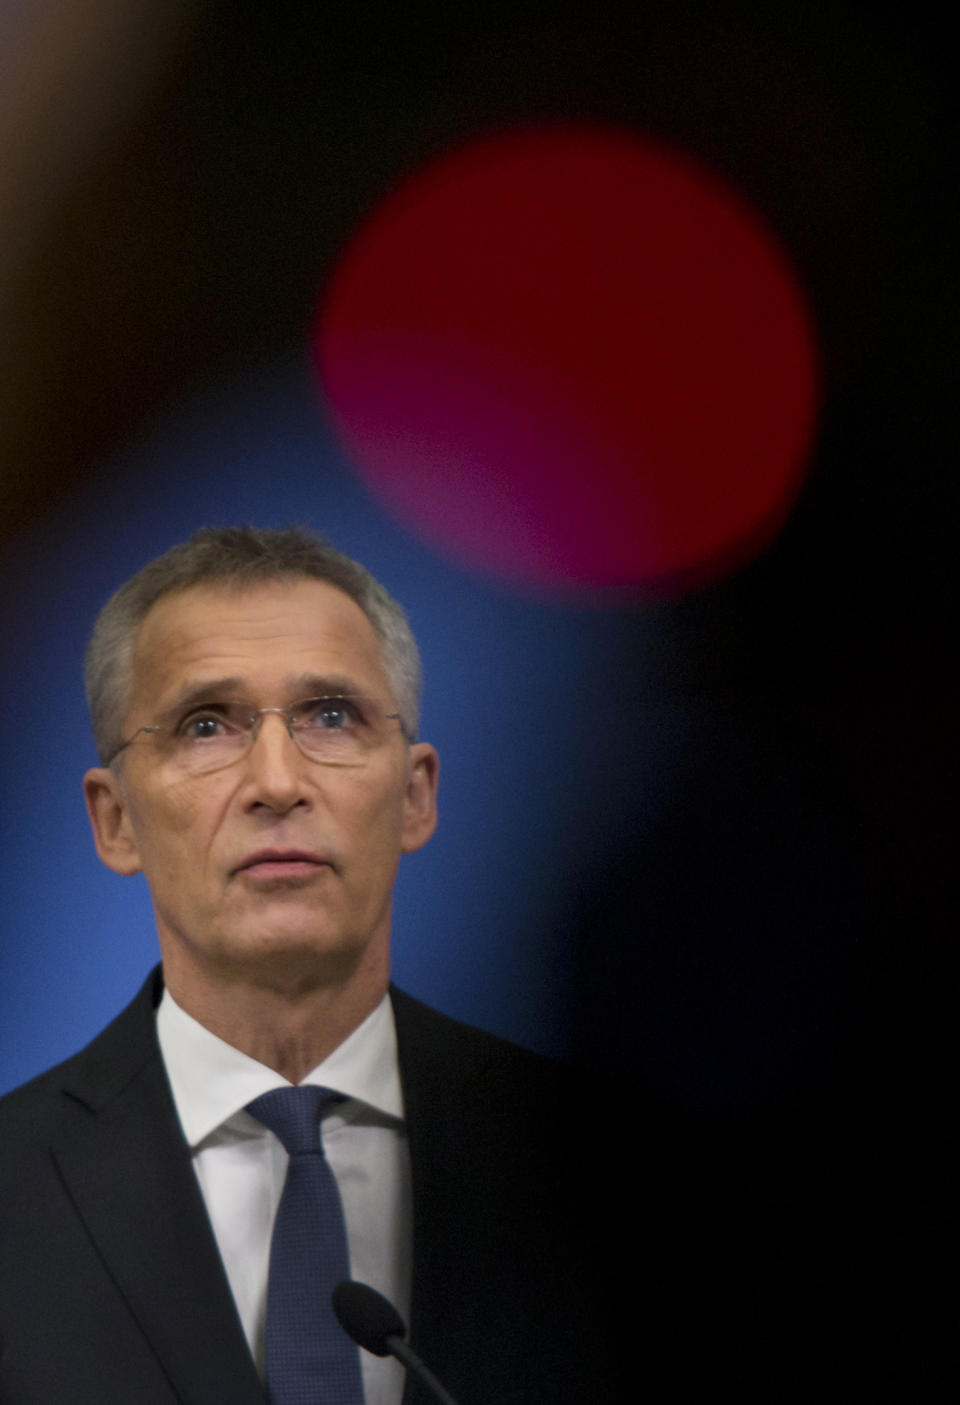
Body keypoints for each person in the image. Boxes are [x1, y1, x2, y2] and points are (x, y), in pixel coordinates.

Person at [0, 526, 683, 1405]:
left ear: (415, 795)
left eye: (332, 715)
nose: (277, 781)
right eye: (207, 725)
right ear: (114, 820)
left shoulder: (614, 1179)